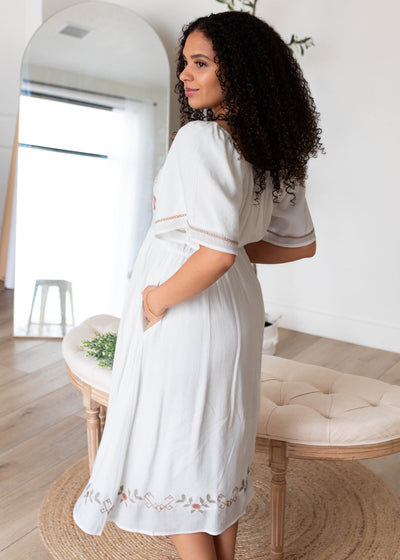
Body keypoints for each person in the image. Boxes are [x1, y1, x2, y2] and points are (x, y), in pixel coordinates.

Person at [72, 10, 324, 560]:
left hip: (186, 315)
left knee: (173, 463)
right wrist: (228, 254)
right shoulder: (271, 151)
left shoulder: (200, 140)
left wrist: (153, 299)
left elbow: (211, 255)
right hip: (235, 312)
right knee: (213, 459)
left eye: (201, 63)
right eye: (185, 62)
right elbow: (297, 244)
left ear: (240, 72)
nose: (186, 75)